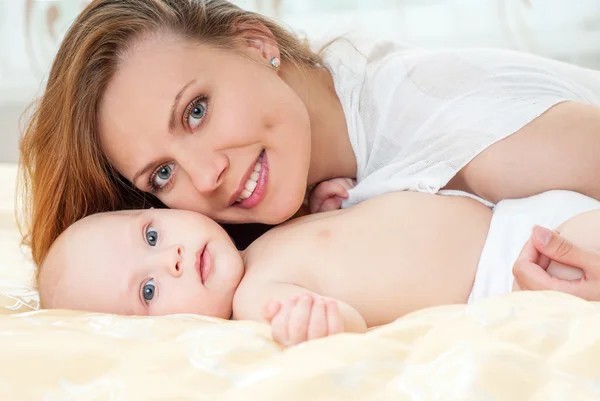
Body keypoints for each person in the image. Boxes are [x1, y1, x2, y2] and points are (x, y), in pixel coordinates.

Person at [20, 0, 600, 296]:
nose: (208, 175)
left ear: (255, 44)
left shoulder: (471, 131)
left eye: (196, 110)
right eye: (163, 174)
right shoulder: (250, 243)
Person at [38, 189, 600, 347]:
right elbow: (345, 325)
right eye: (151, 288)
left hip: (520, 216)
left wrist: (339, 203)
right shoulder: (255, 301)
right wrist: (319, 322)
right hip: (512, 268)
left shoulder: (259, 239)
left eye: (153, 236)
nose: (174, 256)